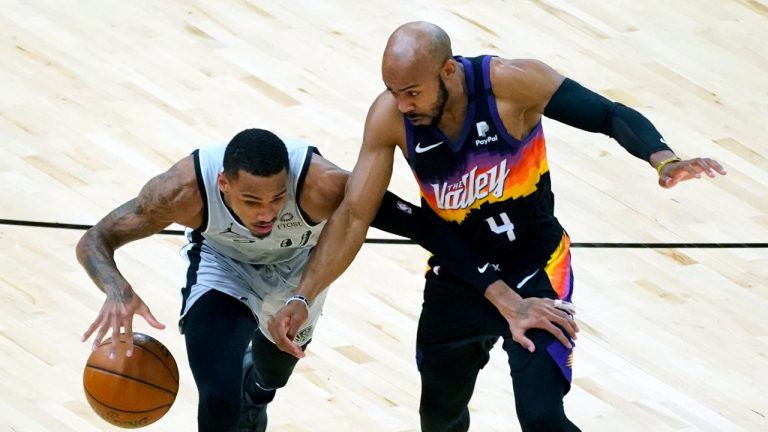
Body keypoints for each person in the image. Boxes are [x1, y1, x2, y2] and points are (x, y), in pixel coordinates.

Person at [268, 21, 727, 432]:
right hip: (459, 276)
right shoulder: (391, 117)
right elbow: (353, 213)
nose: (403, 104)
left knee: (543, 419)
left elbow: (607, 114)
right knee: (440, 419)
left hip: (536, 270)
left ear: (447, 71)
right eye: (393, 91)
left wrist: (662, 158)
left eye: (412, 91)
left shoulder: (511, 83)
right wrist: (302, 295)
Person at [76, 128, 499, 432]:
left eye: (277, 198)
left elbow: (422, 226)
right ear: (223, 184)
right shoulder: (181, 191)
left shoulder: (323, 185)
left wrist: (499, 290)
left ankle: (258, 392)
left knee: (272, 372)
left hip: (302, 273)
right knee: (219, 396)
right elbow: (96, 239)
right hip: (223, 266)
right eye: (251, 200)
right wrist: (117, 288)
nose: (266, 212)